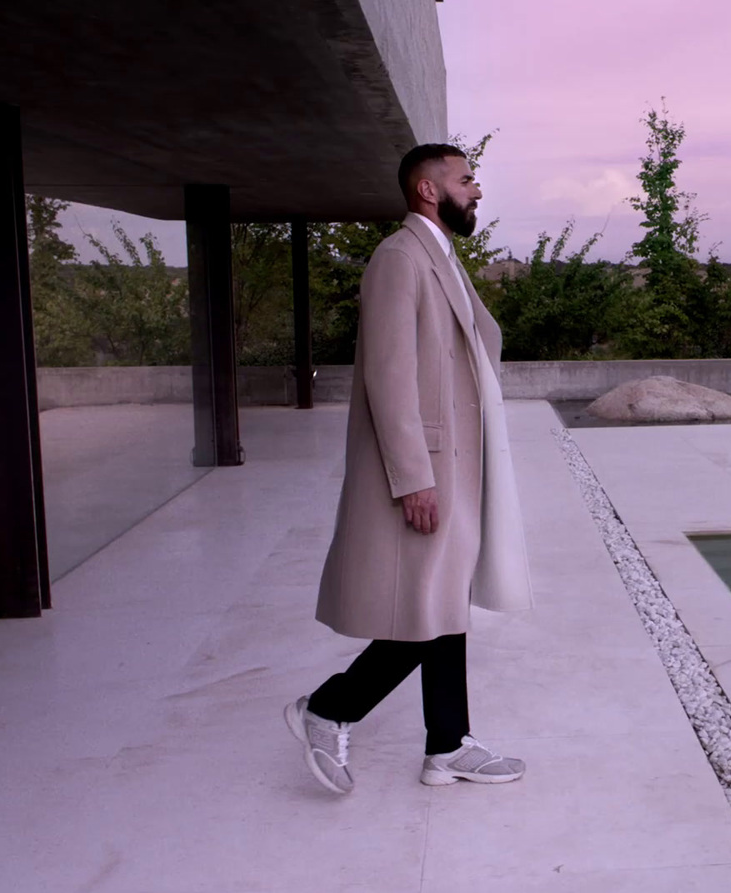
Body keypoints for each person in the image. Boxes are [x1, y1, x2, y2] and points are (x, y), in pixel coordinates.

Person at [285, 143, 533, 794]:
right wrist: (412, 476)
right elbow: (388, 375)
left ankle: (446, 744)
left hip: (456, 462)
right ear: (428, 190)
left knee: (442, 603)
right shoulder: (399, 258)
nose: (476, 190)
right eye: (466, 179)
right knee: (423, 609)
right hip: (429, 468)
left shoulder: (440, 255)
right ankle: (330, 707)